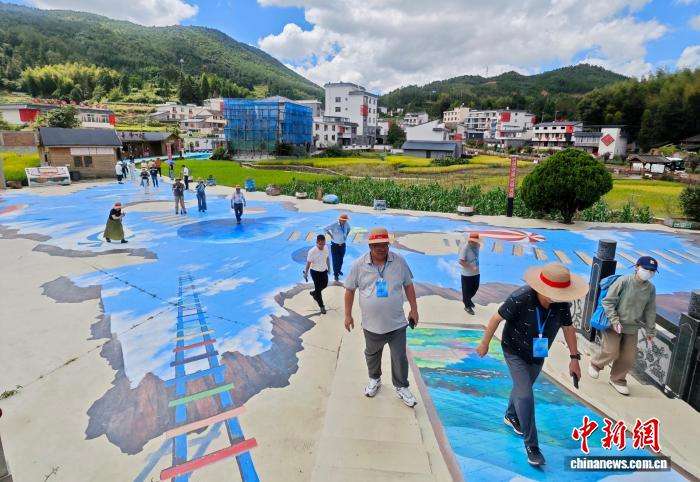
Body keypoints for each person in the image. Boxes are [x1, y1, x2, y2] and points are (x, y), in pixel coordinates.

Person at [476, 263, 588, 467]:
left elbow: (568, 329)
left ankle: (511, 415)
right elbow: (495, 318)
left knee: (523, 387)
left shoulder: (561, 304)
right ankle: (532, 447)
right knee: (526, 395)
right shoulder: (520, 298)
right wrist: (484, 343)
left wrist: (574, 359)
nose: (556, 297)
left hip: (538, 353)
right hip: (514, 350)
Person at [344, 227, 419, 408]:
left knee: (399, 357)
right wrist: (347, 315)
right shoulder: (358, 265)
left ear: (388, 244)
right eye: (376, 245)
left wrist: (414, 309)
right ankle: (375, 379)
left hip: (396, 323)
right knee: (372, 354)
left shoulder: (399, 262)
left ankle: (401, 387)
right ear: (370, 246)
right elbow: (349, 290)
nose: (381, 248)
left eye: (384, 245)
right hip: (371, 324)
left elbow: (408, 285)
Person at [588, 256, 658, 396]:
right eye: (646, 269)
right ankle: (596, 364)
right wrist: (614, 321)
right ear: (637, 267)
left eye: (652, 271)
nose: (648, 273)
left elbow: (650, 310)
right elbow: (608, 301)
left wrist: (650, 331)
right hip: (613, 324)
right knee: (611, 351)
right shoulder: (624, 281)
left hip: (632, 327)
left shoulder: (650, 288)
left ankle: (618, 380)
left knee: (628, 357)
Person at [305, 234, 331, 314]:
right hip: (315, 272)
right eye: (320, 244)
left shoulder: (326, 247)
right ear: (317, 242)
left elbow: (327, 258)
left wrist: (329, 268)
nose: (322, 246)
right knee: (318, 289)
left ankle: (314, 293)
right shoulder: (312, 252)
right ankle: (321, 306)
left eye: (323, 244)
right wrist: (306, 273)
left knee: (325, 285)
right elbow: (308, 263)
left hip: (324, 270)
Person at [459, 232, 482, 315]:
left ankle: (467, 300)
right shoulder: (465, 248)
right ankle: (467, 306)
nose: (475, 242)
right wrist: (471, 267)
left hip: (476, 272)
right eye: (473, 241)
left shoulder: (477, 246)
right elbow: (461, 261)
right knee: (466, 291)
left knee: (475, 288)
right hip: (467, 274)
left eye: (476, 241)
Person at [325, 214, 351, 282]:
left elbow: (349, 229)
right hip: (335, 245)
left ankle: (339, 270)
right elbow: (325, 229)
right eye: (343, 220)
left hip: (343, 245)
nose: (345, 221)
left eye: (345, 220)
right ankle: (335, 274)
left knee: (341, 259)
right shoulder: (334, 224)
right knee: (335, 260)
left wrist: (346, 235)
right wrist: (330, 235)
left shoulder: (346, 224)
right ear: (340, 219)